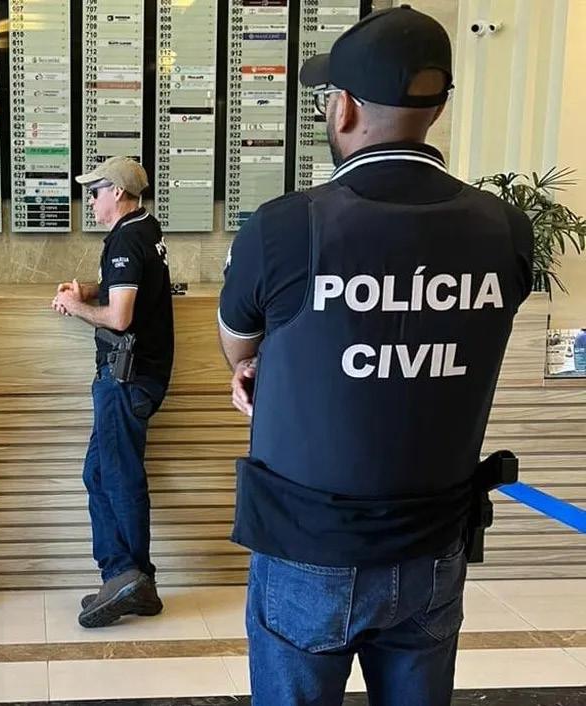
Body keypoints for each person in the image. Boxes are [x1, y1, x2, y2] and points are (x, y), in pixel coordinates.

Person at [218, 7, 533, 706]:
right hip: (434, 547)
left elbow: (239, 342)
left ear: (346, 107)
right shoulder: (505, 228)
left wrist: (260, 368)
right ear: (437, 106)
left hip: (310, 548)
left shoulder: (286, 226)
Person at [52, 156, 174, 628]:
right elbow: (127, 289)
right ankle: (128, 577)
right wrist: (89, 288)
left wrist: (74, 305)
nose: (91, 200)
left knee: (119, 478)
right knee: (101, 473)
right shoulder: (145, 229)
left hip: (126, 377)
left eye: (96, 191)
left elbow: (120, 318)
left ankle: (130, 577)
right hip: (137, 377)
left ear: (118, 192)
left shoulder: (125, 238)